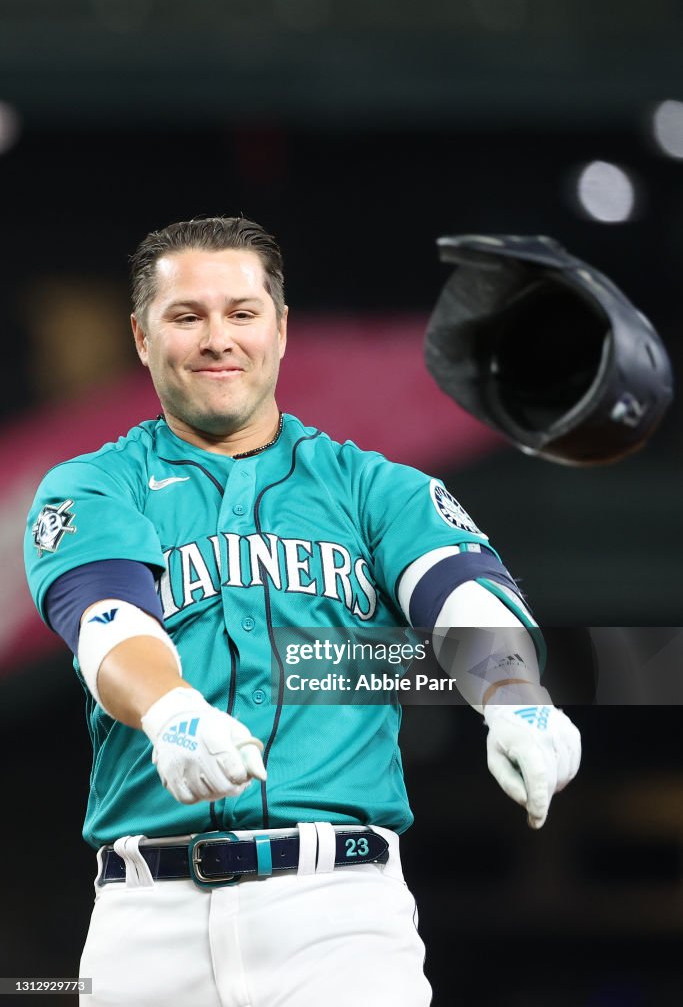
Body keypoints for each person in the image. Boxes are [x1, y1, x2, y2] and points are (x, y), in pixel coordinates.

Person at [24, 216, 581, 1007]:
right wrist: (172, 710)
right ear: (142, 339)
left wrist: (513, 696)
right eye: (187, 316)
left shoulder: (372, 487)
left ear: (280, 330)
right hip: (146, 916)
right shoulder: (92, 486)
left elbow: (459, 592)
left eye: (242, 313)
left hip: (340, 916)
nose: (218, 338)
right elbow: (110, 626)